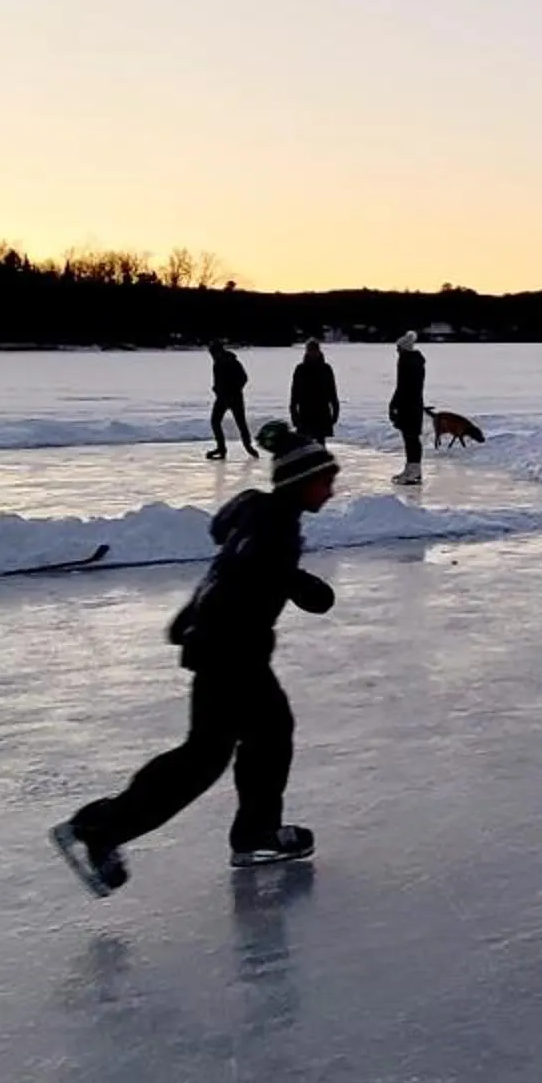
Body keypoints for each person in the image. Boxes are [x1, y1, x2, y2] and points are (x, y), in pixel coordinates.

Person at [51, 428, 340, 894]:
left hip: (224, 647)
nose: (331, 490)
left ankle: (253, 832)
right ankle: (101, 827)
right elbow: (248, 568)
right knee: (207, 758)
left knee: (258, 738)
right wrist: (305, 587)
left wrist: (192, 614)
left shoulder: (264, 513)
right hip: (231, 653)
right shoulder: (274, 526)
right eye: (324, 481)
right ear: (301, 483)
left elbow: (225, 565)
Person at [388, 331, 427, 485]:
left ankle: (414, 471)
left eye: (398, 348)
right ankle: (412, 468)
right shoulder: (416, 361)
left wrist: (394, 404)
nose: (397, 351)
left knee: (410, 437)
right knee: (411, 437)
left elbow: (402, 386)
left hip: (408, 404)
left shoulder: (406, 361)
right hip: (415, 403)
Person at [204, 340, 253, 460]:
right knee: (215, 421)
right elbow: (218, 380)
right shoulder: (217, 362)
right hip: (222, 398)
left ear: (219, 351)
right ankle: (221, 448)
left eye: (213, 352)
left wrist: (234, 390)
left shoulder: (232, 362)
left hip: (234, 397)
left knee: (240, 423)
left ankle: (248, 447)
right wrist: (216, 388)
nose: (212, 355)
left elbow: (244, 378)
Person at [289, 339, 340, 443]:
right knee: (304, 445)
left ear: (319, 351)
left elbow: (332, 393)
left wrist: (335, 413)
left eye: (314, 350)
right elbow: (294, 394)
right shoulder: (300, 369)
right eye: (310, 350)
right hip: (305, 413)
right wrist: (294, 415)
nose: (312, 353)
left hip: (322, 413)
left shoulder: (326, 369)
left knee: (321, 443)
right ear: (306, 351)